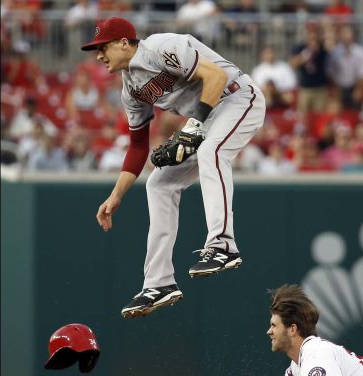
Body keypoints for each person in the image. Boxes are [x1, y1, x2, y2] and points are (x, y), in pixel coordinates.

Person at [83, 17, 265, 318]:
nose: (99, 55)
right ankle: (159, 283)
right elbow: (138, 146)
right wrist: (116, 196)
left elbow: (216, 77)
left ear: (124, 42)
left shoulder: (161, 47)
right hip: (207, 118)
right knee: (158, 183)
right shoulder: (130, 89)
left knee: (211, 152)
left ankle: (223, 245)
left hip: (237, 97)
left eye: (103, 47)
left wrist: (193, 126)